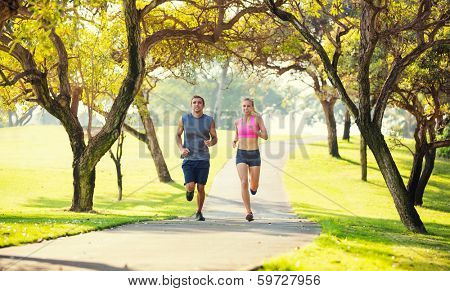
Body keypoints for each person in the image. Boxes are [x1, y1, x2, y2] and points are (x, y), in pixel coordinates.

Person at [176, 95, 218, 221]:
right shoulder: (184, 119)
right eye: (194, 102)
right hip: (189, 159)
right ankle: (189, 191)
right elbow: (178, 135)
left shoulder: (209, 120)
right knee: (190, 186)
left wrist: (211, 143)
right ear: (191, 105)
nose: (197, 104)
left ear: (203, 105)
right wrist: (181, 149)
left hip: (203, 159)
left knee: (201, 187)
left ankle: (199, 212)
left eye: (199, 103)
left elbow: (215, 138)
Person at [233, 98, 268, 221]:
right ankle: (248, 212)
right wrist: (234, 140)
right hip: (241, 153)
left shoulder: (258, 119)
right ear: (241, 107)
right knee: (243, 182)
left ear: (252, 107)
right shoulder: (237, 122)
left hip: (254, 154)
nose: (246, 108)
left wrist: (256, 131)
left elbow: (266, 136)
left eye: (248, 106)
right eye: (244, 106)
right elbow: (237, 134)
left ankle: (253, 188)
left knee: (253, 185)